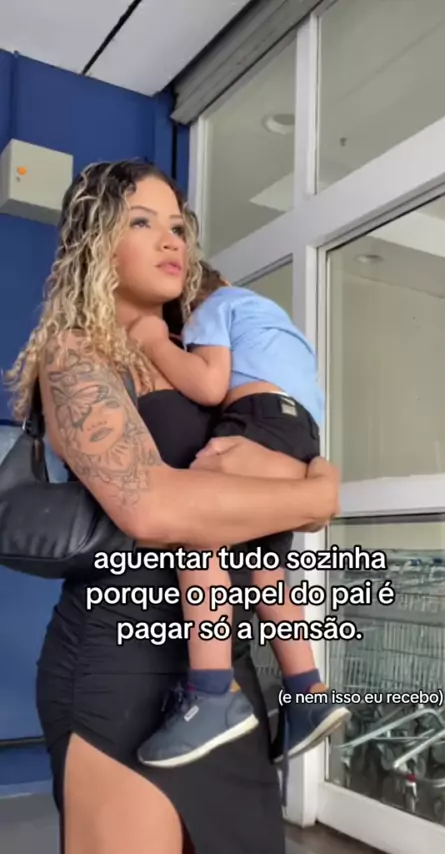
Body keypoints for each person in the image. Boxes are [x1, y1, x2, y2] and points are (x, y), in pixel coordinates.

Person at [5, 159, 340, 854]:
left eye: (178, 227)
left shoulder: (200, 357)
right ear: (97, 244)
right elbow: (153, 508)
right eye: (141, 222)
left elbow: (256, 468)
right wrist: (311, 496)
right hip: (118, 673)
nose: (170, 240)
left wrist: (282, 490)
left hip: (222, 677)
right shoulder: (76, 355)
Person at [130, 255, 350, 772]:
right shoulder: (273, 320)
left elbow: (209, 385)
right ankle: (308, 692)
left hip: (258, 419)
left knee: (198, 529)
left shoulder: (215, 307)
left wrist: (155, 341)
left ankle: (211, 693)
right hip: (300, 436)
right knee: (265, 570)